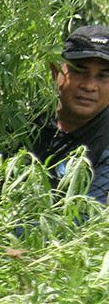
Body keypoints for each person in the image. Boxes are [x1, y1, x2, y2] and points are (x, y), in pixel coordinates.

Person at [29, 25, 109, 204]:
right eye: (79, 71)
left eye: (103, 76)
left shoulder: (104, 145)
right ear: (55, 70)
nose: (89, 86)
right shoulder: (23, 119)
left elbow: (80, 222)